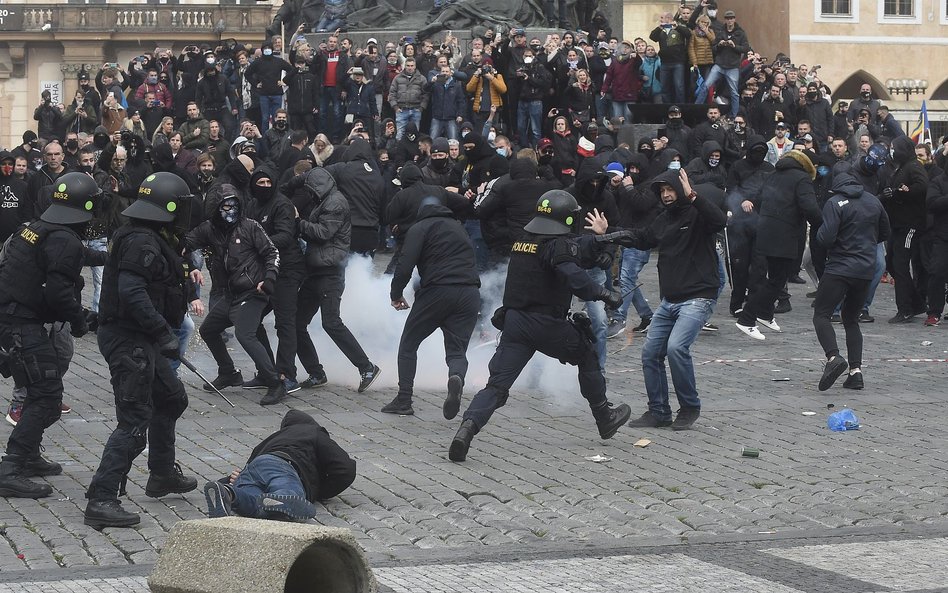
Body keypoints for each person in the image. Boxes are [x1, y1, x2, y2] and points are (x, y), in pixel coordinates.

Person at [448, 190, 631, 463]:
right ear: (567, 220)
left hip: (515, 324)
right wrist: (607, 295)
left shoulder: (524, 241)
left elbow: (574, 252)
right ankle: (604, 417)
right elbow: (576, 278)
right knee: (587, 354)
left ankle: (467, 429)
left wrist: (601, 244)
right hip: (547, 324)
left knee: (496, 387)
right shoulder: (556, 245)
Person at [84, 172, 200, 528]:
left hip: (141, 336)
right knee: (134, 420)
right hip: (127, 338)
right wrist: (162, 332)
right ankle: (101, 499)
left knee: (171, 399)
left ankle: (162, 474)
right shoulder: (142, 243)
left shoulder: (151, 235)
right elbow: (132, 292)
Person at [595, 169, 726, 430]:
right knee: (650, 353)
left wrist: (693, 196)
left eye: (670, 190)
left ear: (681, 189)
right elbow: (642, 238)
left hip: (698, 296)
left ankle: (689, 408)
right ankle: (659, 411)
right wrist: (608, 230)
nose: (666, 195)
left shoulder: (697, 212)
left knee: (677, 348)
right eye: (662, 191)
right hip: (670, 299)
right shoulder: (664, 218)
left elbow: (719, 220)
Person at [0, 173, 97, 499]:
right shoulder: (65, 238)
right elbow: (58, 293)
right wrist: (80, 322)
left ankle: (27, 455)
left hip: (13, 319)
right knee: (47, 397)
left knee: (40, 392)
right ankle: (11, 466)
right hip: (23, 324)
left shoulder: (35, 228)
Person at [183, 185, 284, 405]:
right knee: (208, 330)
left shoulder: (250, 227)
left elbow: (272, 252)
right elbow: (184, 244)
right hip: (230, 293)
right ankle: (228, 372)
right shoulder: (209, 229)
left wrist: (269, 280)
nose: (230, 211)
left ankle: (275, 382)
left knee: (245, 334)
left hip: (253, 291)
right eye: (225, 206)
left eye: (234, 206)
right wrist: (191, 265)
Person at [383, 196, 480, 417]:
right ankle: (456, 377)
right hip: (469, 292)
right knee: (457, 350)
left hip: (438, 291)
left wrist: (395, 294)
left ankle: (404, 400)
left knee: (409, 344)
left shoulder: (421, 227)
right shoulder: (458, 226)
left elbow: (405, 264)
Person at [292, 168, 381, 392]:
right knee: (296, 323)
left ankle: (367, 367)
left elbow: (322, 233)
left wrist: (298, 222)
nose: (309, 194)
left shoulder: (335, 202)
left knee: (331, 322)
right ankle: (315, 372)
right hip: (318, 271)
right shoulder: (326, 200)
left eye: (310, 190)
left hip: (330, 273)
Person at [812, 171, 890, 392]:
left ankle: (833, 357)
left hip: (839, 267)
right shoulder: (873, 200)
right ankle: (856, 372)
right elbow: (885, 231)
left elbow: (825, 238)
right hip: (865, 269)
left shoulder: (835, 202)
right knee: (852, 319)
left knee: (822, 314)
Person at [204, 410, 356, 521]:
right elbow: (345, 469)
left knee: (254, 502)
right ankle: (285, 498)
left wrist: (229, 480)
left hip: (255, 467)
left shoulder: (269, 441)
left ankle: (228, 494)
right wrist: (317, 492)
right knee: (286, 491)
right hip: (283, 466)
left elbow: (250, 470)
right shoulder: (313, 431)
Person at [736, 150, 822, 340]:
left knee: (776, 277)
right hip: (785, 235)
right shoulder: (802, 179)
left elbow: (758, 199)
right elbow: (810, 207)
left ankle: (765, 313)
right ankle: (747, 318)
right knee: (776, 279)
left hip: (767, 231)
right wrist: (822, 224)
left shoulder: (773, 175)